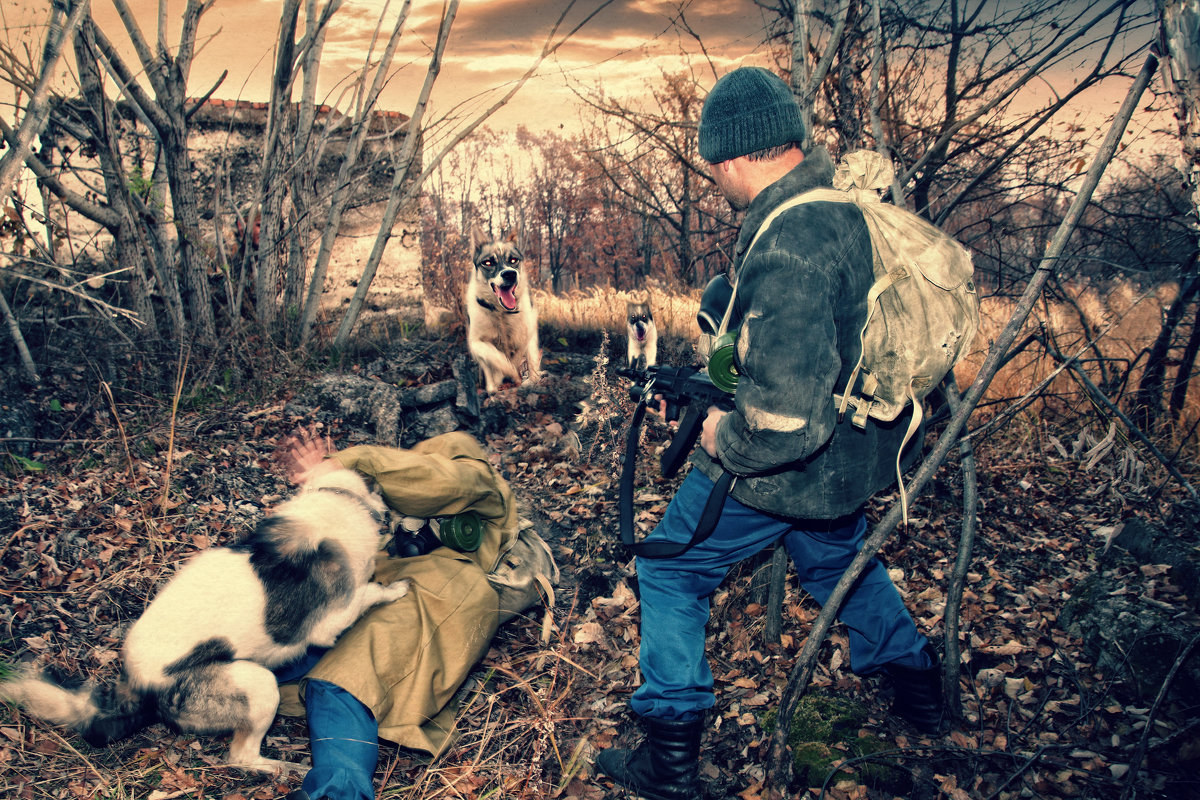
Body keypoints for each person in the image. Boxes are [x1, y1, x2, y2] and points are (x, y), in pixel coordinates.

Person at [594, 66, 945, 800]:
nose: (714, 179)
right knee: (833, 560)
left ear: (732, 155)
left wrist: (719, 434)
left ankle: (670, 757)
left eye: (712, 163)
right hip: (842, 464)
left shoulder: (791, 244)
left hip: (783, 470)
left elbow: (780, 425)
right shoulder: (835, 207)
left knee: (669, 571)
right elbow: (810, 359)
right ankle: (919, 687)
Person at [275, 430, 556, 800]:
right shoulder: (404, 530)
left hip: (445, 593)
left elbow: (441, 482)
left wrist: (349, 463)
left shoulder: (479, 482)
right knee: (291, 644)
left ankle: (336, 792)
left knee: (349, 680)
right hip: (400, 584)